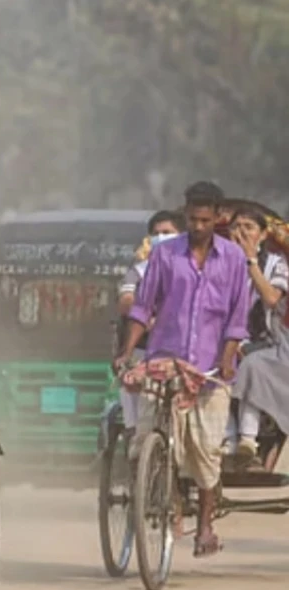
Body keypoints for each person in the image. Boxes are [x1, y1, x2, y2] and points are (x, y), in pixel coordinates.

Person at [116, 181, 251, 558]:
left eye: (205, 220)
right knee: (151, 440)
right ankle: (162, 500)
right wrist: (127, 351)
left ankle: (205, 526)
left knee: (207, 451)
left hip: (210, 368)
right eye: (192, 219)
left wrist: (228, 356)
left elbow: (238, 319)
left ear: (218, 218)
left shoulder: (235, 260)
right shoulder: (165, 256)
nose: (198, 226)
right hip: (164, 359)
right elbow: (143, 309)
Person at [116, 210, 185, 446]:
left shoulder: (192, 266)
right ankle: (134, 434)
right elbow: (126, 302)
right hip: (146, 348)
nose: (161, 237)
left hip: (183, 349)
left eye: (167, 233)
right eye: (156, 234)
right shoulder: (140, 270)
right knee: (130, 377)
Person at [228, 205, 289, 461]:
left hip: (269, 341)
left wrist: (250, 260)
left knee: (253, 364)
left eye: (249, 227)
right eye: (236, 227)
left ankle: (246, 439)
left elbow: (273, 299)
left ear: (263, 235)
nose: (241, 233)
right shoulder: (217, 261)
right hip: (223, 339)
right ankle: (225, 439)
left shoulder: (277, 264)